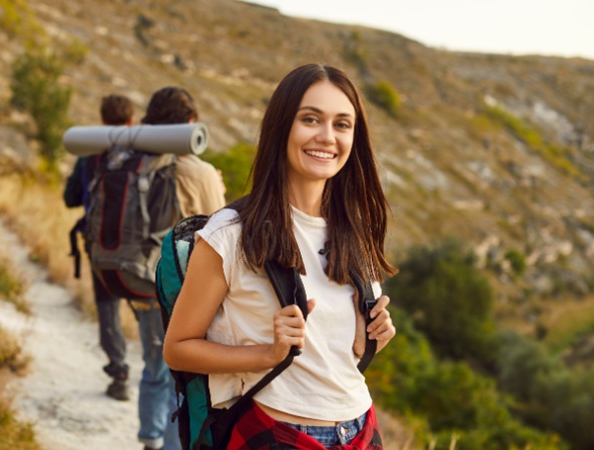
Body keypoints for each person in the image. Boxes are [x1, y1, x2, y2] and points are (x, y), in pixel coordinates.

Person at [163, 64, 397, 448]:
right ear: (282, 126)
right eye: (310, 119)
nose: (327, 136)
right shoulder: (231, 234)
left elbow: (337, 357)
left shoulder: (354, 233)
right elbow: (178, 349)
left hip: (360, 431)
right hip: (277, 435)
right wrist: (266, 353)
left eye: (342, 124)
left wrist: (366, 340)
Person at [136, 86, 225, 450]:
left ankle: (148, 435)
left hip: (141, 279)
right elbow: (222, 230)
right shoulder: (198, 171)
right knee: (183, 379)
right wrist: (216, 184)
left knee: (153, 364)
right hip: (182, 292)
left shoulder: (137, 162)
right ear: (190, 123)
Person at [63, 94, 135, 401]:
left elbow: (70, 198)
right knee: (147, 306)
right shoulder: (144, 151)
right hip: (139, 246)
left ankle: (119, 373)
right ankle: (160, 373)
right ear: (132, 121)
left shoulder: (90, 153)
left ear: (103, 120)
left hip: (101, 245)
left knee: (108, 307)